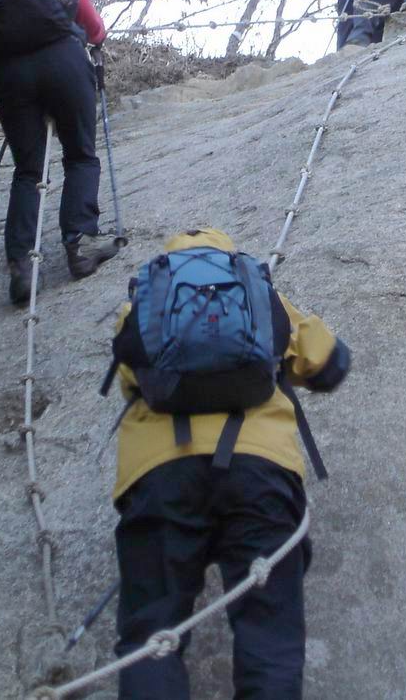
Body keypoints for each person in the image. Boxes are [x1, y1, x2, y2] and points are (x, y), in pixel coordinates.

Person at [105, 228, 352, 700]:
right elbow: (332, 364)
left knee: (151, 639)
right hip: (260, 474)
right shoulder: (261, 295)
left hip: (162, 476)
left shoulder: (141, 303)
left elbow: (129, 375)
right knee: (270, 642)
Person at [0, 0, 116, 305]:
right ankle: (80, 245)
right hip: (66, 63)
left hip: (12, 78)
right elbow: (94, 28)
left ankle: (21, 266)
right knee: (80, 154)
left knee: (28, 171)